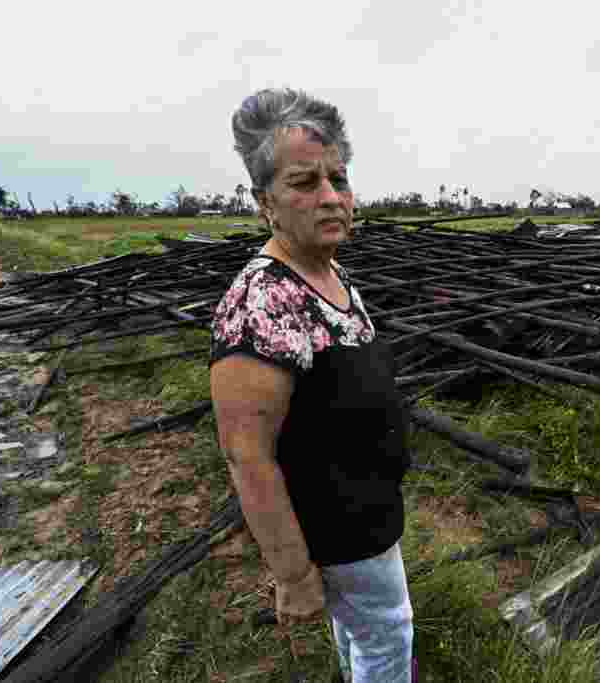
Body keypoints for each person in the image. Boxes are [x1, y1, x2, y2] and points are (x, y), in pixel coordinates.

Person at [209, 87, 416, 683]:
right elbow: (247, 455)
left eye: (339, 179)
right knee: (386, 637)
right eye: (304, 183)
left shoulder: (330, 273)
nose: (331, 198)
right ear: (264, 202)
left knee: (366, 630)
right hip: (334, 529)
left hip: (367, 516)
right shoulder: (263, 301)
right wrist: (294, 575)